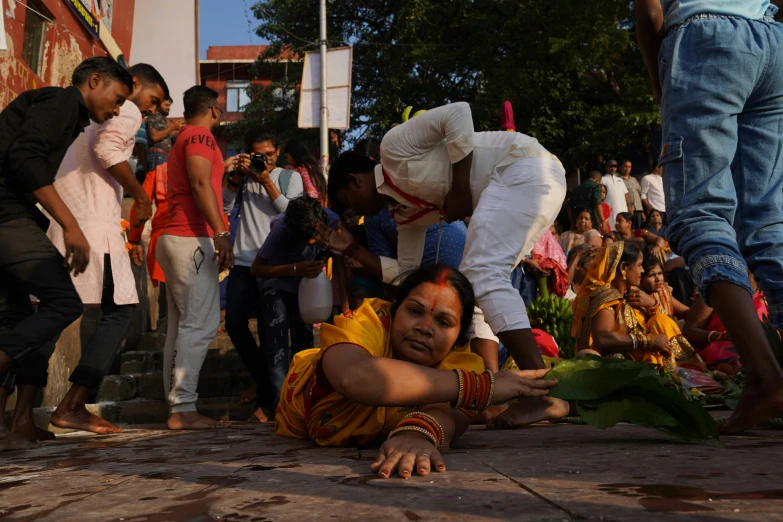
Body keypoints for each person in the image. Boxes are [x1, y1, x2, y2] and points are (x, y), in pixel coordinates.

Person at [322, 102, 570, 427]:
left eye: (346, 204)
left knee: (481, 274)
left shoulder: (393, 148)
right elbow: (407, 277)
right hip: (527, 185)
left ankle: (542, 394)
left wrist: (460, 187)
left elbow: (461, 113)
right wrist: (352, 249)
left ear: (354, 182)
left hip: (524, 169)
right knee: (473, 284)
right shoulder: (403, 214)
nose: (352, 214)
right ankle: (496, 389)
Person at [636, 0, 783, 433]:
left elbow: (650, 11)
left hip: (706, 39)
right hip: (772, 40)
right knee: (770, 223)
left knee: (700, 212)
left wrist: (657, 74)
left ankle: (764, 375)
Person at [275, 265, 559, 478]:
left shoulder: (461, 361)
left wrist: (417, 434)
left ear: (461, 337)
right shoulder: (367, 323)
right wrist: (483, 388)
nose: (424, 328)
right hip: (302, 413)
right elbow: (356, 376)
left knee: (479, 409)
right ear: (393, 310)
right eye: (414, 311)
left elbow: (449, 414)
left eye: (443, 322)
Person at [0, 57, 134, 451]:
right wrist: (71, 226)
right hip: (6, 213)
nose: (114, 110)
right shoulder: (62, 102)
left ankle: (8, 428)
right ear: (94, 81)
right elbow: (23, 159)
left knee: (16, 317)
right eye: (116, 99)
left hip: (14, 214)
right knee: (63, 303)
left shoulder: (64, 113)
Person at [44, 63, 168, 435]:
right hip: (92, 224)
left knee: (47, 317)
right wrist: (141, 196)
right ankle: (74, 403)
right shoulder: (125, 108)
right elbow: (108, 148)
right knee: (121, 310)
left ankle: (20, 421)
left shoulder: (87, 112)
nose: (153, 110)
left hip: (63, 217)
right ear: (133, 86)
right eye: (154, 99)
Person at [157, 85, 233, 430]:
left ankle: (176, 404)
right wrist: (221, 234)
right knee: (199, 323)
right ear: (214, 110)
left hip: (175, 237)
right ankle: (183, 408)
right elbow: (201, 185)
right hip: (190, 238)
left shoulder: (185, 136)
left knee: (181, 323)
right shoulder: (202, 137)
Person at [223, 128, 304, 423]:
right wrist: (234, 177)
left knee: (273, 336)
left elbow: (291, 214)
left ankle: (270, 404)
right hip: (244, 262)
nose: (265, 161)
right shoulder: (242, 179)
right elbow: (224, 208)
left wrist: (266, 179)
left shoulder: (288, 177)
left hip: (276, 265)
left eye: (270, 155)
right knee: (234, 324)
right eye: (259, 156)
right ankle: (264, 382)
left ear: (278, 152)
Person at [250, 196, 348, 408]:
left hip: (306, 287)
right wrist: (294, 269)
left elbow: (340, 262)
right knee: (277, 348)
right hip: (276, 284)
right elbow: (256, 269)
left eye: (317, 235)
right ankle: (282, 405)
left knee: (303, 345)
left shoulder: (331, 221)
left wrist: (345, 305)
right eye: (307, 239)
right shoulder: (280, 229)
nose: (314, 241)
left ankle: (304, 401)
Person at [571, 242, 696, 369]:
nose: (642, 271)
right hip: (611, 367)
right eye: (640, 265)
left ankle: (687, 369)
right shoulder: (606, 298)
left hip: (635, 362)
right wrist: (648, 341)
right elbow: (603, 338)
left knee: (661, 320)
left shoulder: (629, 295)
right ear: (623, 267)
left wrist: (653, 305)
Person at [683, 273, 767, 370]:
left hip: (762, 351)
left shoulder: (769, 285)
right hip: (723, 356)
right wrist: (720, 336)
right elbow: (689, 331)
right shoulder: (714, 285)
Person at [129, 163, 170, 330]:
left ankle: (164, 333)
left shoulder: (160, 171)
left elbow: (141, 203)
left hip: (165, 237)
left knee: (168, 294)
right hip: (197, 237)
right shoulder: (205, 165)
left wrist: (134, 239)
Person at [640, 251, 689, 319]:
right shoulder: (638, 297)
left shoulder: (663, 291)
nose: (658, 279)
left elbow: (685, 312)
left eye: (660, 273)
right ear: (640, 278)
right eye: (651, 275)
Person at [283, 138, 326, 204]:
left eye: (286, 156)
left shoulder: (303, 169)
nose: (286, 160)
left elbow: (311, 193)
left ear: (293, 154)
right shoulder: (312, 167)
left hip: (310, 210)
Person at [146, 96, 182, 172]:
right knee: (158, 183)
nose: (168, 108)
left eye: (169, 106)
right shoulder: (155, 116)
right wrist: (173, 127)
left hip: (162, 157)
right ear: (159, 104)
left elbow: (164, 136)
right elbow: (154, 136)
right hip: (157, 156)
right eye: (166, 105)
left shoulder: (162, 119)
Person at [601, 160, 632, 231]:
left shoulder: (620, 180)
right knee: (612, 227)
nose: (613, 168)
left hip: (622, 208)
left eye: (614, 167)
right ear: (606, 167)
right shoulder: (602, 179)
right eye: (610, 166)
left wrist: (629, 206)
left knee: (623, 227)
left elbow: (625, 194)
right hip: (610, 208)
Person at [571, 170, 604, 234]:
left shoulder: (577, 188)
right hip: (590, 216)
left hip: (578, 217)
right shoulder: (596, 186)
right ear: (597, 180)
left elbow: (570, 206)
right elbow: (597, 204)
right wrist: (603, 220)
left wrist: (572, 222)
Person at [619, 159, 644, 229]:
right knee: (628, 228)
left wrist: (642, 212)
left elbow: (640, 194)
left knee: (638, 229)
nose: (627, 169)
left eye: (629, 167)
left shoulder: (634, 179)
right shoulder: (618, 180)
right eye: (625, 166)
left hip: (638, 209)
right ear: (620, 168)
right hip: (626, 209)